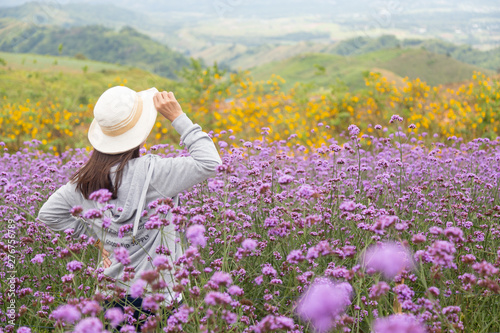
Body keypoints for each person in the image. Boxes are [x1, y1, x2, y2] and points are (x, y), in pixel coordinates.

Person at [37, 86, 222, 331]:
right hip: (159, 299)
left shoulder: (84, 182)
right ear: (141, 135)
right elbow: (210, 162)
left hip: (109, 297)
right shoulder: (156, 173)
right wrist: (178, 117)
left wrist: (99, 238)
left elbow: (46, 215)